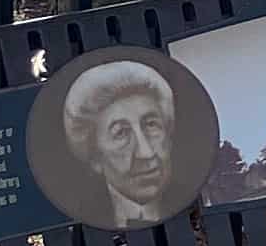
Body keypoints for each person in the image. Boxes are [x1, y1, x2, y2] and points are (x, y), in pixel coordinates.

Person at [53, 53, 185, 226]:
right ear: (95, 158)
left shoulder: (199, 205)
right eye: (121, 133)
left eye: (151, 125)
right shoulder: (87, 224)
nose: (145, 153)